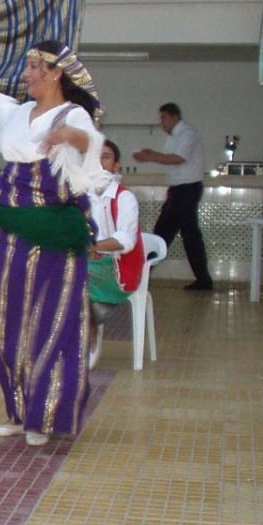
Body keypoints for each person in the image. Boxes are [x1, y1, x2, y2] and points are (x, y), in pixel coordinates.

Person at [0, 40, 105, 447]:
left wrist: (69, 134)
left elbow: (91, 143)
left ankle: (45, 414)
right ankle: (19, 412)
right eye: (28, 67)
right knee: (6, 319)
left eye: (34, 67)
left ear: (56, 72)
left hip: (51, 230)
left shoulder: (73, 114)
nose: (27, 74)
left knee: (48, 320)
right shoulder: (20, 112)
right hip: (8, 224)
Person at [133, 103, 213, 291]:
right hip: (178, 190)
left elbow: (178, 158)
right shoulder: (173, 137)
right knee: (164, 232)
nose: (162, 122)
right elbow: (172, 162)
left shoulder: (187, 133)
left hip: (187, 189)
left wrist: (151, 156)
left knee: (186, 235)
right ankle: (142, 274)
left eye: (164, 118)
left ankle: (203, 279)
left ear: (174, 116)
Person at [86, 139, 145, 368]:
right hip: (90, 263)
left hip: (117, 267)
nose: (100, 162)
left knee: (75, 279)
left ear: (116, 166)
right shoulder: (83, 196)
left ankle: (89, 341)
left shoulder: (124, 197)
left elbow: (126, 241)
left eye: (106, 156)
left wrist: (92, 247)